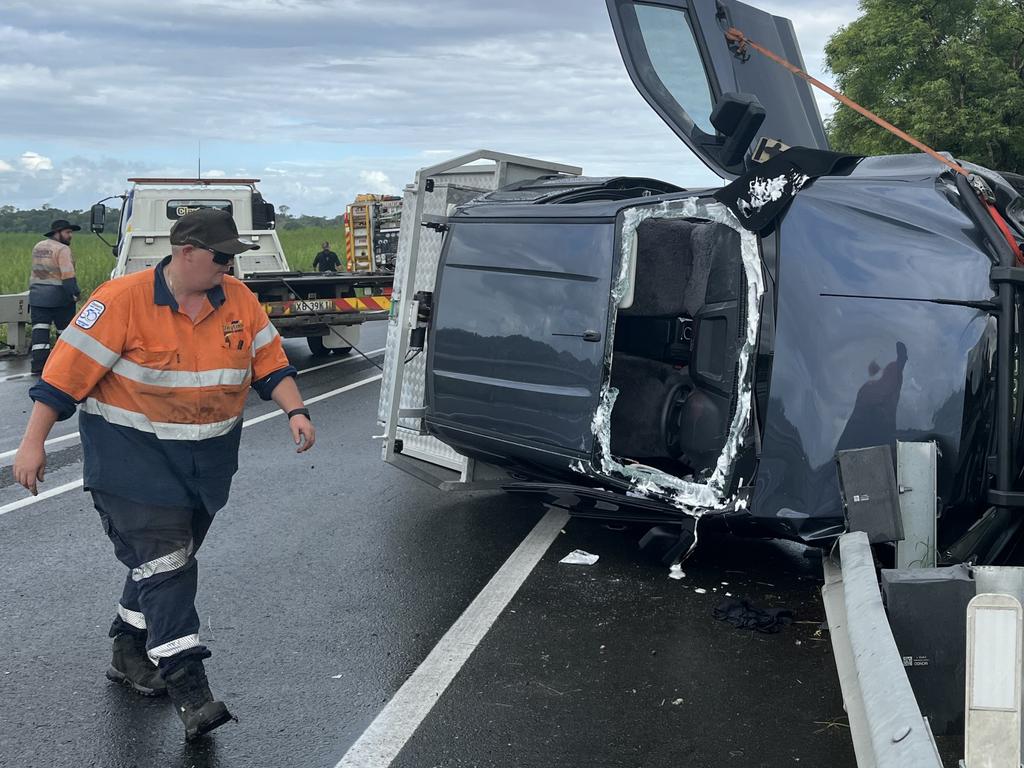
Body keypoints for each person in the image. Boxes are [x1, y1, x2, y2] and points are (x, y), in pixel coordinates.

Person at [12, 208, 316, 741]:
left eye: (232, 259)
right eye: (221, 258)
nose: (228, 268)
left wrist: (296, 411)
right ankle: (190, 689)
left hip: (206, 467)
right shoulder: (120, 301)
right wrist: (32, 444)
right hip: (131, 462)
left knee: (164, 562)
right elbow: (62, 379)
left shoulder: (238, 301)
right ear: (186, 252)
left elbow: (269, 364)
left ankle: (129, 650)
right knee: (168, 565)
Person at [29, 219, 81, 375]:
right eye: (67, 232)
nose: (70, 235)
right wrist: (75, 294)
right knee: (64, 332)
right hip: (58, 298)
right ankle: (61, 366)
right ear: (57, 233)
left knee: (39, 331)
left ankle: (38, 366)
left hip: (37, 296)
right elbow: (67, 276)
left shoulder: (38, 246)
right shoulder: (62, 249)